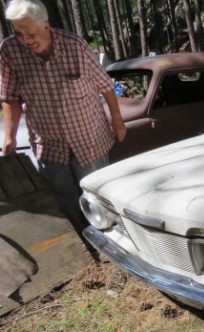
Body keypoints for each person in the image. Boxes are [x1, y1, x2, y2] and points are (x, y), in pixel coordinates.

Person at [0, 0, 126, 241]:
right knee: (65, 200)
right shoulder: (8, 51)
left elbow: (106, 86)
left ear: (45, 26)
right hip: (49, 145)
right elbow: (9, 98)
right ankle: (86, 248)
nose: (25, 39)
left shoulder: (75, 46)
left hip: (89, 139)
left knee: (97, 196)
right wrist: (8, 137)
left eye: (30, 32)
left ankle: (115, 244)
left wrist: (117, 121)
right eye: (18, 32)